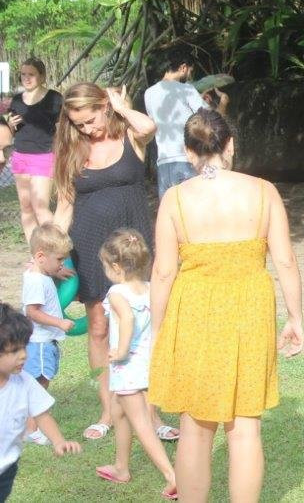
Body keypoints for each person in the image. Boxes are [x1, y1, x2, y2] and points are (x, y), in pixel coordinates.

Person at [149, 109, 304, 502]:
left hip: (195, 308)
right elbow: (285, 260)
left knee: (195, 424)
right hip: (249, 308)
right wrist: (296, 317)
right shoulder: (264, 191)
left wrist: (158, 329)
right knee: (245, 425)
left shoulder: (175, 198)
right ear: (230, 144)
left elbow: (163, 272)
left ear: (188, 152)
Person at [51, 82, 165, 442]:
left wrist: (120, 106)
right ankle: (108, 410)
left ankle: (152, 412)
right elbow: (64, 209)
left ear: (104, 106)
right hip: (89, 247)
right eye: (78, 123)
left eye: (91, 119)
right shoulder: (71, 150)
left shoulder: (131, 136)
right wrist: (46, 255)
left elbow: (148, 127)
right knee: (99, 328)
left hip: (134, 249)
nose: (87, 128)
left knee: (144, 328)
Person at [95, 229, 177, 499]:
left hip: (128, 367)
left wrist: (120, 351)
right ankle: (121, 467)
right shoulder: (151, 288)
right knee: (119, 413)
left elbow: (127, 320)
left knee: (141, 423)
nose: (106, 271)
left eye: (106, 266)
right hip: (149, 364)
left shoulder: (117, 292)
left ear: (117, 267)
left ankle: (172, 476)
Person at [0, 303, 81, 501]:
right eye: (14, 351)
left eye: (24, 347)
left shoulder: (24, 382)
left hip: (6, 467)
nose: (24, 355)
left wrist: (58, 441)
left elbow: (42, 415)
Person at [144, 45, 229, 199]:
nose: (189, 76)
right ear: (183, 67)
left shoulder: (148, 93)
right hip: (187, 160)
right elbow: (212, 121)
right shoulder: (187, 90)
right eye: (190, 71)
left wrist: (198, 99)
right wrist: (223, 103)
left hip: (163, 166)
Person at [20, 223, 74, 445]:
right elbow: (32, 312)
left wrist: (58, 271)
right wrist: (59, 322)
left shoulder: (39, 273)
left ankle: (30, 427)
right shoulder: (35, 281)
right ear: (41, 256)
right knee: (38, 385)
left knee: (40, 384)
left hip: (43, 342)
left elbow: (45, 268)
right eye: (59, 260)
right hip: (40, 342)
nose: (61, 263)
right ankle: (31, 430)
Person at [6, 58, 63, 244]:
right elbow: (9, 134)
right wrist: (10, 126)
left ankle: (57, 249)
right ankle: (35, 252)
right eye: (23, 74)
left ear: (42, 76)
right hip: (21, 155)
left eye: (31, 74)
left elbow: (61, 130)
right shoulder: (16, 100)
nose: (26, 78)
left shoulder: (54, 98)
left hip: (44, 155)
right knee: (26, 207)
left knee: (41, 207)